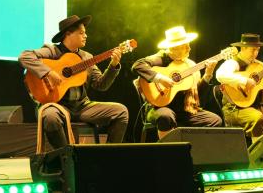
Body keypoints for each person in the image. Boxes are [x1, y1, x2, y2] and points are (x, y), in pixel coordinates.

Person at [19, 15, 128, 149]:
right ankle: (66, 157)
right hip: (57, 105)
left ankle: (109, 154)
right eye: (81, 33)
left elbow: (101, 85)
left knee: (120, 111)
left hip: (82, 107)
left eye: (85, 33)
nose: (86, 36)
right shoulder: (52, 51)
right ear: (68, 34)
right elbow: (24, 56)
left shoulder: (87, 58)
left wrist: (113, 66)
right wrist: (48, 72)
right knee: (50, 117)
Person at [132, 26, 222, 139]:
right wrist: (160, 78)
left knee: (214, 120)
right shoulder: (161, 59)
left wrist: (208, 75)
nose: (189, 48)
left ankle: (192, 150)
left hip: (184, 110)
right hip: (159, 107)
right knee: (166, 116)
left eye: (188, 45)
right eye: (185, 46)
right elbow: (137, 65)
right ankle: (170, 153)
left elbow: (199, 95)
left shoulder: (190, 65)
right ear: (174, 48)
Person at [216, 33, 263, 143]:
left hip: (258, 106)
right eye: (253, 50)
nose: (256, 53)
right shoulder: (233, 62)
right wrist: (245, 81)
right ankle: (259, 155)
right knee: (257, 118)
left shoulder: (260, 66)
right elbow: (220, 75)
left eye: (257, 50)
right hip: (236, 109)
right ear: (243, 48)